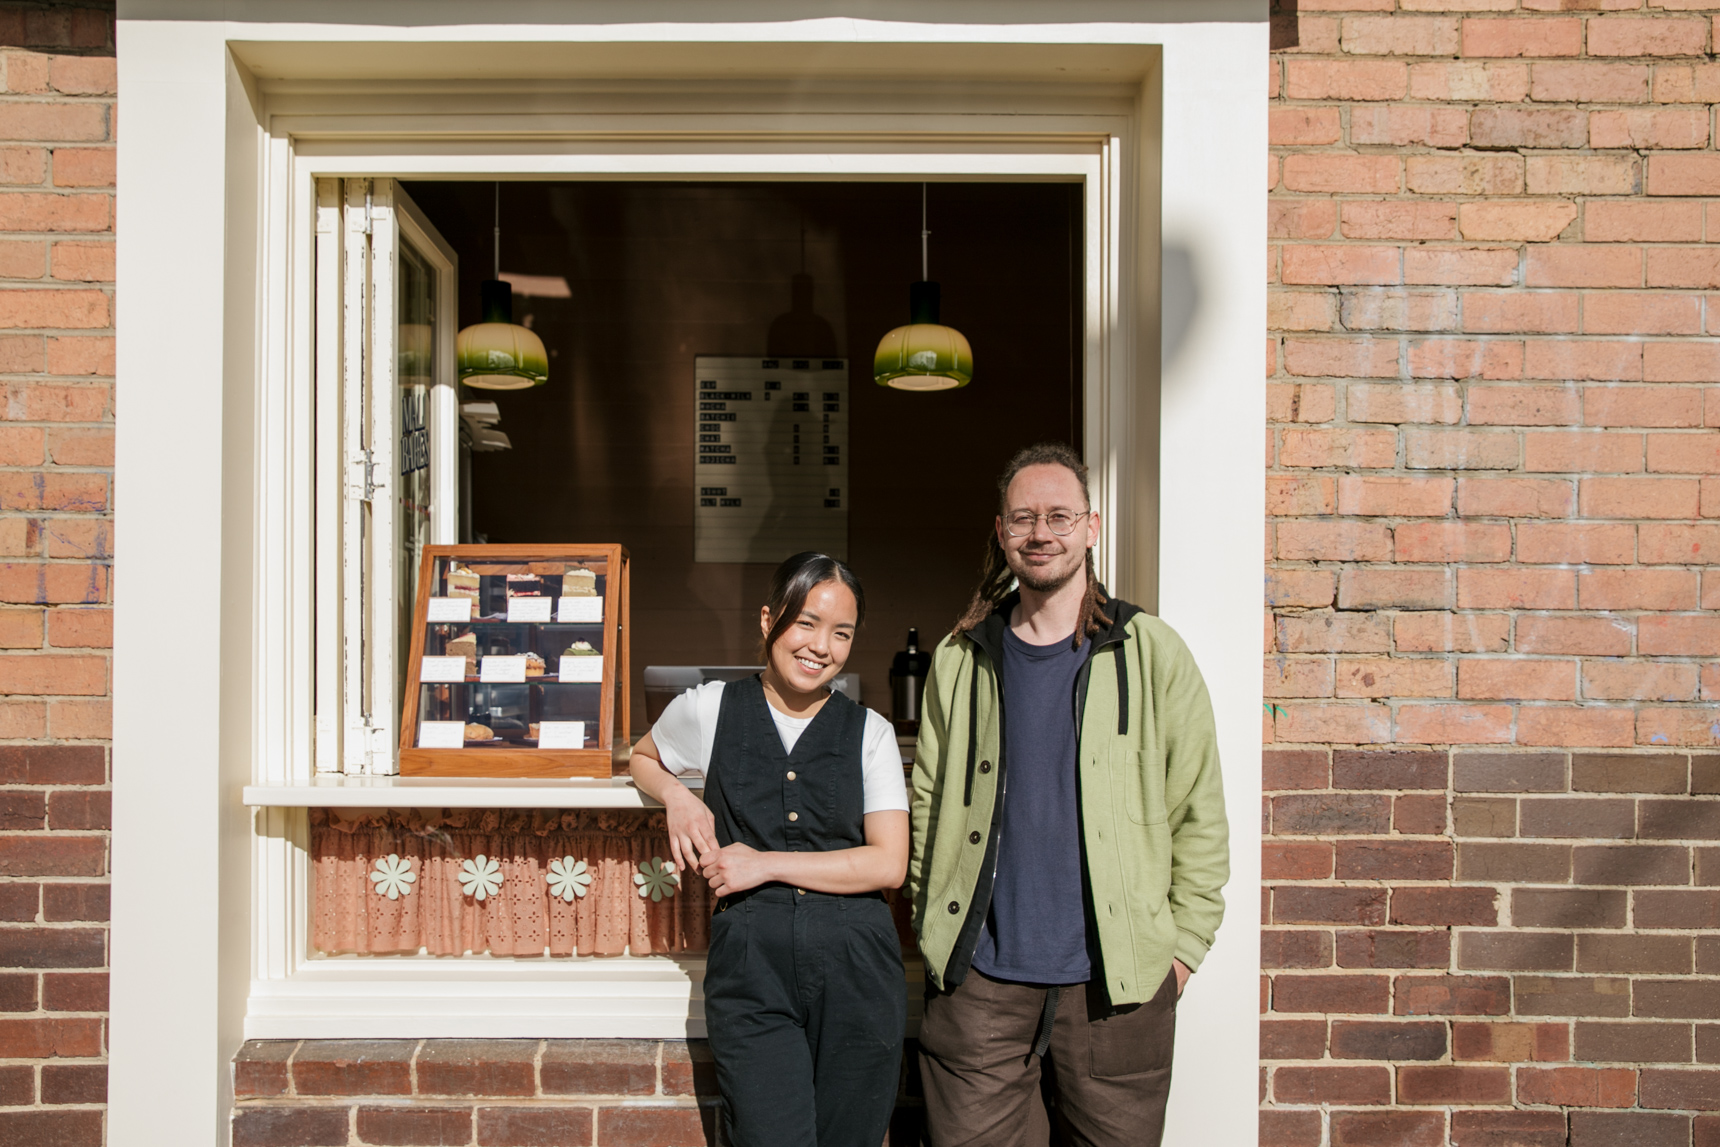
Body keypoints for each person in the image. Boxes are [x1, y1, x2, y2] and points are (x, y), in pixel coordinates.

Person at [909, 442, 1230, 1147]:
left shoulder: (1150, 651)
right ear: (1001, 532)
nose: (1040, 532)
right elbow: (929, 799)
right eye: (1023, 517)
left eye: (1059, 515)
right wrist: (934, 924)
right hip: (981, 984)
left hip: (1117, 985)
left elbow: (1199, 811)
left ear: (1091, 526)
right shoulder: (962, 657)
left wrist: (1178, 956)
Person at [630, 552, 909, 1147]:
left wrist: (763, 863)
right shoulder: (708, 708)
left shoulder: (872, 732)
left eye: (841, 632)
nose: (821, 646)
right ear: (768, 621)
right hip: (751, 971)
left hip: (858, 972)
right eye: (806, 622)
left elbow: (888, 862)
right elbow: (642, 756)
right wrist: (677, 796)